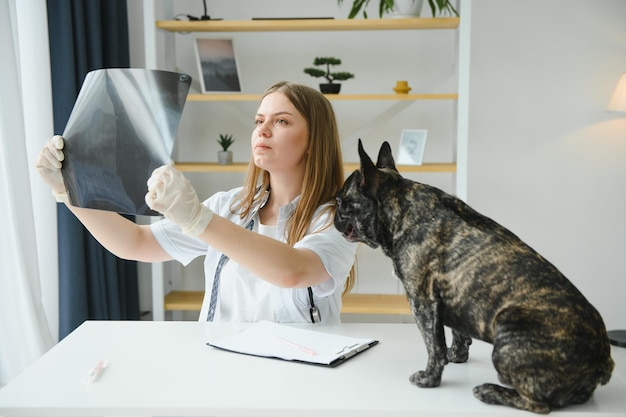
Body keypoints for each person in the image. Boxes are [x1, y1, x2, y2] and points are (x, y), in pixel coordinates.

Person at [36, 81, 357, 324]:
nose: (263, 130)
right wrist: (70, 192)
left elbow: (293, 272)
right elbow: (136, 243)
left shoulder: (338, 220)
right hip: (223, 371)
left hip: (300, 381)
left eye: (282, 121)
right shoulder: (230, 206)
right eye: (259, 121)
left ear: (314, 141)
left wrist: (199, 220)